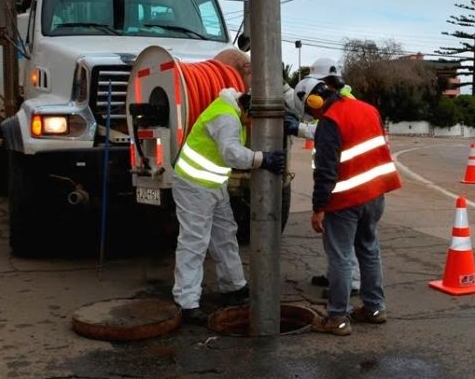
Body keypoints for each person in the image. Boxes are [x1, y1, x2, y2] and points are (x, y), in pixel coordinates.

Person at [172, 52, 286, 326]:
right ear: (247, 109)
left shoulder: (233, 110)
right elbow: (232, 154)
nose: (251, 126)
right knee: (194, 241)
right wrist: (263, 160)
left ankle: (233, 286)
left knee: (225, 234)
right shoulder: (227, 118)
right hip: (193, 184)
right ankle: (186, 302)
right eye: (252, 120)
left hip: (213, 183)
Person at [293, 76, 402, 336]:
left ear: (316, 101)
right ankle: (375, 308)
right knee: (368, 249)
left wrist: (319, 208)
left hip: (345, 201)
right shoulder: (367, 108)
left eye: (310, 110)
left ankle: (338, 318)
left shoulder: (329, 122)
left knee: (340, 258)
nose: (313, 116)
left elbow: (326, 171)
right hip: (375, 195)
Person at [286, 58, 361, 296]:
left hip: (344, 176)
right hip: (340, 175)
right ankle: (336, 276)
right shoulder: (337, 97)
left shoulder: (343, 102)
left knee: (345, 238)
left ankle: (351, 283)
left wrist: (297, 128)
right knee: (336, 236)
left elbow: (327, 130)